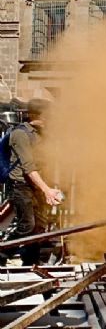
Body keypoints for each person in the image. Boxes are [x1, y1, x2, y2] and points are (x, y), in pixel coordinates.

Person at [3, 99, 61, 266]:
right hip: (22, 187)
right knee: (28, 225)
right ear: (38, 115)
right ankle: (2, 253)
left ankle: (31, 263)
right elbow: (28, 168)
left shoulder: (42, 134)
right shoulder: (20, 134)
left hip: (38, 187)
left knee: (39, 228)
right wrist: (47, 190)